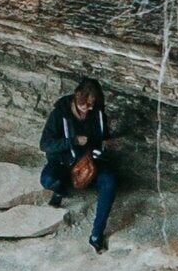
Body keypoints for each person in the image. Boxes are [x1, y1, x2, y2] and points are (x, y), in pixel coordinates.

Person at [39, 78, 119, 251]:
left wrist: (107, 145)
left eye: (92, 105)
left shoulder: (96, 113)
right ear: (77, 97)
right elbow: (45, 144)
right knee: (48, 179)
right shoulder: (60, 113)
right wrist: (72, 141)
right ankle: (60, 191)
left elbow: (102, 137)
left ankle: (96, 234)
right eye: (85, 105)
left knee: (109, 183)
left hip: (90, 161)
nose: (89, 109)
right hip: (64, 161)